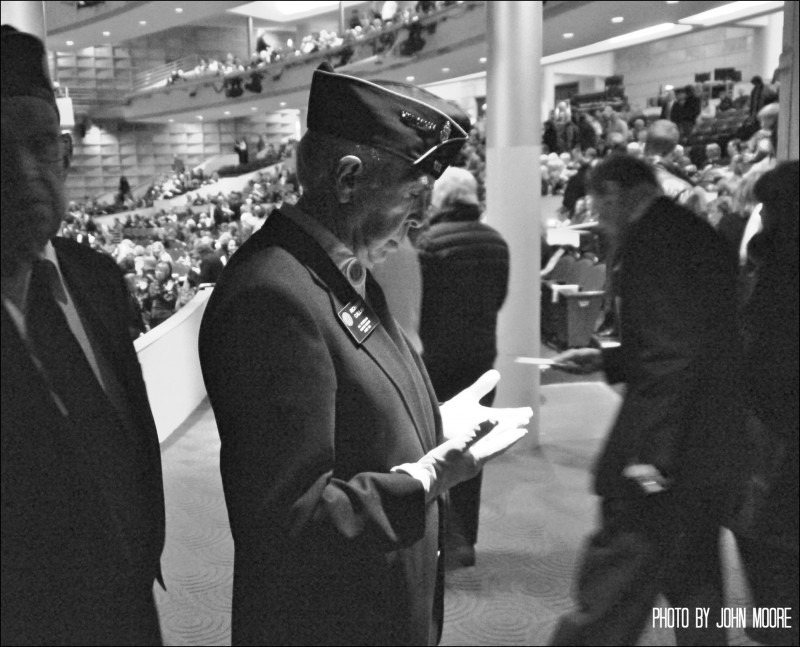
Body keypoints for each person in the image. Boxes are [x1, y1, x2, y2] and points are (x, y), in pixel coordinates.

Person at [198, 62, 532, 646]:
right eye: (413, 196)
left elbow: (353, 414)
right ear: (348, 180)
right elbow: (291, 522)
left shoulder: (341, 270)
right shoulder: (271, 296)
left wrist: (432, 424)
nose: (420, 218)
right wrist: (424, 478)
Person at [1, 25, 165, 645]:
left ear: (66, 155)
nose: (23, 174)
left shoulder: (95, 278)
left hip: (133, 606)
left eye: (40, 146)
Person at [549, 154, 746, 646]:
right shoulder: (688, 230)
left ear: (614, 191)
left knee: (613, 583)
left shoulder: (656, 241)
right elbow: (686, 339)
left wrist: (650, 457)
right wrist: (607, 362)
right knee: (695, 579)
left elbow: (675, 353)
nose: (596, 214)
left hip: (670, 446)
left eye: (597, 201)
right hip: (708, 439)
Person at [416, 166, 510, 568]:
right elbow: (499, 299)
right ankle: (464, 541)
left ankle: (438, 540)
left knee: (435, 449)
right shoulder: (498, 243)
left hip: (436, 361)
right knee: (474, 449)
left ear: (442, 199)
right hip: (481, 357)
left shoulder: (429, 243)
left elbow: (421, 309)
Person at [734, 161, 799, 647]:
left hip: (775, 421)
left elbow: (762, 349)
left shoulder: (776, 270)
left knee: (767, 535)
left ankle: (778, 624)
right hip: (776, 416)